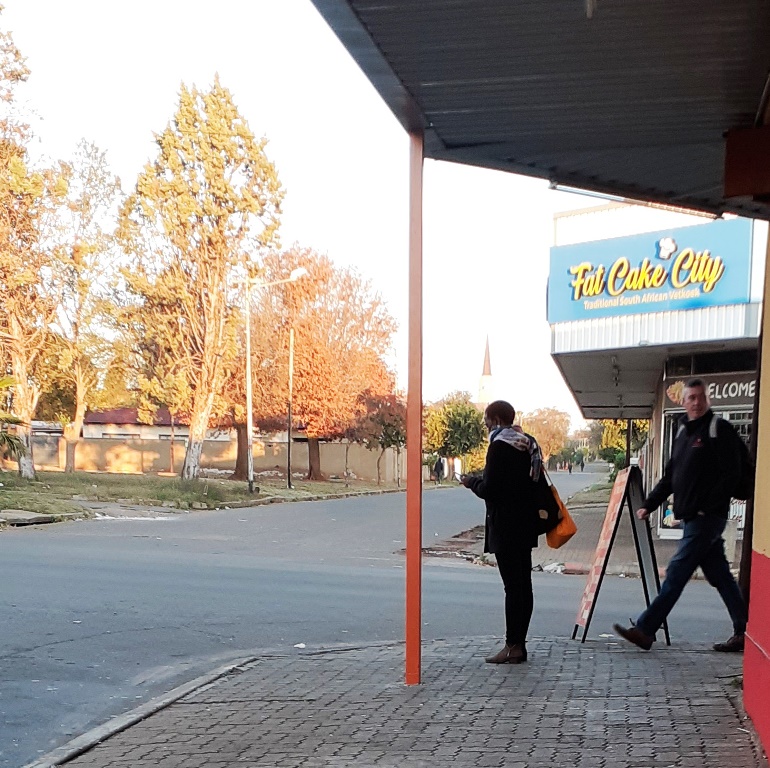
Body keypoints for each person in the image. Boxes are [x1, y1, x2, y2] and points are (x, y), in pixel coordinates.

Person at [613, 378, 748, 653]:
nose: (696, 402)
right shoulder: (683, 434)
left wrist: (707, 505)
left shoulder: (717, 429)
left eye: (700, 397)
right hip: (692, 519)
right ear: (684, 402)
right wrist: (649, 504)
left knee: (676, 573)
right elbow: (672, 476)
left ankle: (645, 630)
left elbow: (732, 474)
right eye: (691, 398)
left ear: (707, 400)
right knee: (720, 575)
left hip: (707, 518)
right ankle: (744, 630)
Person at [460, 400, 542, 664]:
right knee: (524, 585)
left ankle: (512, 645)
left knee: (512, 588)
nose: (485, 424)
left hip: (505, 526)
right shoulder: (528, 443)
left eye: (486, 419)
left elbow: (491, 490)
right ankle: (521, 644)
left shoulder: (498, 447)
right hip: (526, 524)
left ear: (495, 419)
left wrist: (471, 482)